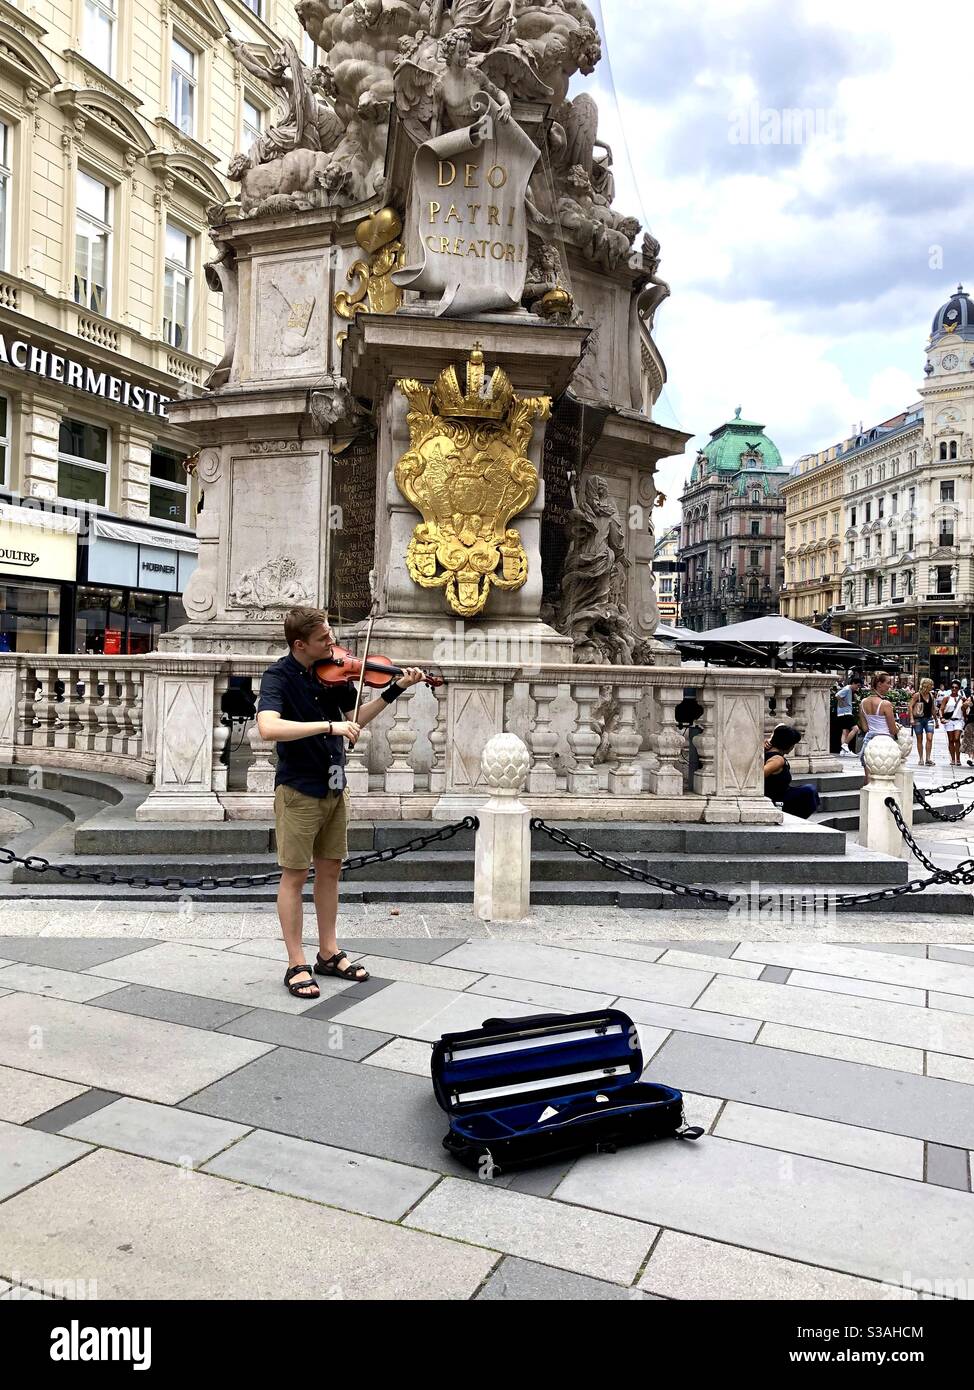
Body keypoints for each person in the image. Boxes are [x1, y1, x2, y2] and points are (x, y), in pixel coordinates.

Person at [256, 607, 427, 1000]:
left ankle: (328, 953)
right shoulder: (278, 676)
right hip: (299, 789)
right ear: (300, 644)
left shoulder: (333, 674)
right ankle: (295, 962)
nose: (334, 646)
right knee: (294, 875)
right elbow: (268, 727)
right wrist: (328, 726)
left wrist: (393, 690)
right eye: (324, 640)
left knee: (331, 871)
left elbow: (356, 717)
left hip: (334, 786)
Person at [764, 725, 821, 819]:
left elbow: (779, 728)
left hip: (783, 793)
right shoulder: (777, 760)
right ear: (788, 744)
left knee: (810, 790)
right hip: (777, 799)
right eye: (793, 744)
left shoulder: (771, 753)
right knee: (809, 791)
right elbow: (759, 776)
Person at [858, 671, 899, 783]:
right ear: (879, 684)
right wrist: (898, 728)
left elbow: (865, 728)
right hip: (884, 743)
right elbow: (892, 729)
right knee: (884, 778)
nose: (889, 686)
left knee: (868, 777)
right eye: (888, 683)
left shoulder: (863, 702)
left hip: (869, 742)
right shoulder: (885, 704)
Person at [908, 677, 938, 766]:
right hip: (918, 719)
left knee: (930, 738)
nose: (932, 687)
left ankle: (928, 758)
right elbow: (910, 706)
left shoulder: (931, 695)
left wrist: (936, 719)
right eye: (931, 685)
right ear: (926, 685)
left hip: (929, 718)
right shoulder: (917, 695)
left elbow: (932, 708)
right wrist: (911, 718)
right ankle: (921, 758)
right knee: (919, 739)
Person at [939, 680, 967, 768]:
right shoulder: (946, 698)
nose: (954, 689)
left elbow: (965, 711)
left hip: (959, 720)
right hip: (949, 721)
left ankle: (958, 759)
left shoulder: (962, 699)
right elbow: (941, 709)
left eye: (956, 687)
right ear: (951, 688)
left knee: (957, 738)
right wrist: (941, 717)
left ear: (959, 689)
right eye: (953, 687)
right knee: (951, 740)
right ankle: (953, 759)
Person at [834, 674, 862, 753]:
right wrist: (843, 704)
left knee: (845, 731)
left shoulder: (849, 690)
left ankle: (843, 751)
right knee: (855, 729)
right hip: (846, 713)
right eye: (857, 685)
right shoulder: (847, 689)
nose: (858, 687)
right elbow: (837, 695)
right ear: (853, 683)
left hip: (841, 713)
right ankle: (845, 745)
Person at [962, 686, 974, 768]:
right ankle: (972, 759)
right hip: (971, 722)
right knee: (971, 741)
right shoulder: (971, 698)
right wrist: (966, 705)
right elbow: (963, 708)